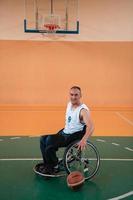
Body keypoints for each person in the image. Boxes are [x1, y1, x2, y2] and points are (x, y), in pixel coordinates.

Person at [37, 86, 94, 175]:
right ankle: (48, 164)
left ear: (80, 95)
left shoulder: (83, 111)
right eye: (71, 94)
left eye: (76, 95)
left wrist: (84, 140)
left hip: (72, 136)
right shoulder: (69, 104)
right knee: (43, 139)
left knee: (49, 141)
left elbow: (91, 126)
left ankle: (54, 166)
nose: (73, 97)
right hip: (65, 132)